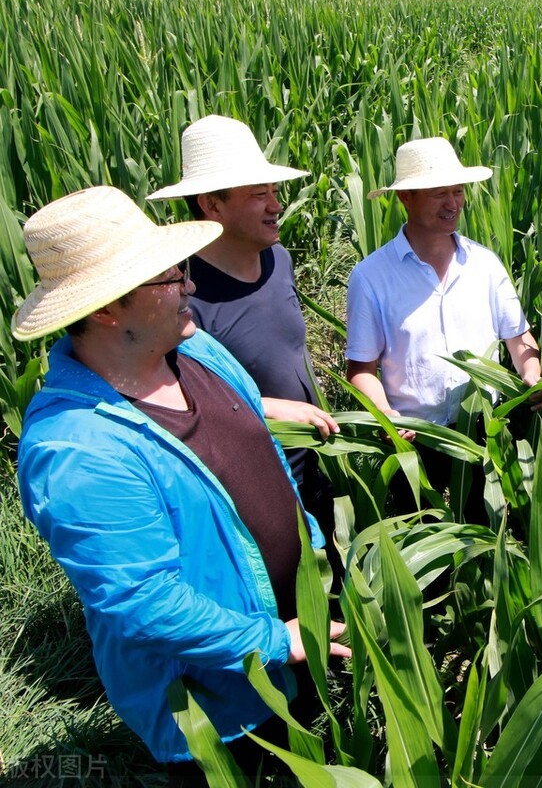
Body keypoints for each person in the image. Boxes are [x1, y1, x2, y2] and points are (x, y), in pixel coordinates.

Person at [13, 187, 350, 778]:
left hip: (291, 638)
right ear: (107, 310)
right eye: (168, 278)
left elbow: (262, 450)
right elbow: (144, 603)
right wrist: (274, 640)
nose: (188, 285)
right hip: (219, 703)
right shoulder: (76, 448)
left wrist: (312, 544)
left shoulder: (194, 349)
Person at [147, 115, 342, 584]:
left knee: (333, 582)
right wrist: (272, 408)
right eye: (259, 195)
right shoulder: (181, 294)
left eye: (274, 191)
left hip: (315, 458)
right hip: (254, 491)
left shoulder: (278, 259)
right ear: (212, 204)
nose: (277, 205)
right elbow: (180, 405)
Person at [345, 137, 542, 506]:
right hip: (411, 438)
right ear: (406, 198)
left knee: (487, 531)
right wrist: (386, 416)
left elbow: (518, 339)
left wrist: (531, 373)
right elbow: (360, 368)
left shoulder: (485, 265)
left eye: (458, 191)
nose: (453, 203)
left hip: (484, 430)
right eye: (439, 193)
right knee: (421, 533)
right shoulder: (371, 276)